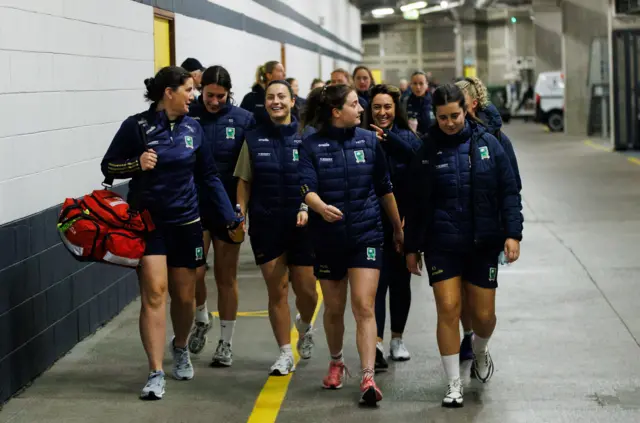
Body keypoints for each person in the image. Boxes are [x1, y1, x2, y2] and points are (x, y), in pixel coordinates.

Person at [101, 66, 243, 400]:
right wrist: (136, 163)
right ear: (169, 93)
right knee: (154, 293)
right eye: (189, 90)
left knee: (184, 296)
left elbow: (208, 176)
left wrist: (227, 216)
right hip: (148, 225)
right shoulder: (136, 126)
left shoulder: (194, 127)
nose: (193, 96)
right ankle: (155, 371)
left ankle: (180, 347)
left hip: (187, 224)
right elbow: (108, 166)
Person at [404, 84, 523, 408]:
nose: (450, 122)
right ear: (435, 115)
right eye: (442, 117)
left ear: (466, 110)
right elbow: (415, 204)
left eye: (455, 115)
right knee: (448, 309)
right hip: (441, 243)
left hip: (483, 242)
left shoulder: (488, 144)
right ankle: (453, 383)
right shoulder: (426, 150)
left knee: (484, 316)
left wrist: (513, 233)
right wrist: (412, 247)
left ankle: (481, 351)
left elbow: (509, 190)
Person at [298, 84, 404, 406]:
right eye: (355, 104)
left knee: (364, 305)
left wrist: (398, 229)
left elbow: (385, 188)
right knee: (333, 308)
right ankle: (336, 361)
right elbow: (306, 187)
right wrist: (318, 207)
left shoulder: (370, 142)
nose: (362, 109)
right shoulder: (311, 145)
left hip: (366, 234)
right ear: (336, 111)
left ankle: (368, 377)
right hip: (328, 238)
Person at [234, 80, 319, 375]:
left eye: (282, 96)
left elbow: (316, 179)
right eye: (271, 97)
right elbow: (244, 181)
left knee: (307, 290)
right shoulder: (253, 138)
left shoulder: (308, 137)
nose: (276, 102)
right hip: (267, 223)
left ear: (293, 101)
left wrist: (308, 207)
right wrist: (240, 214)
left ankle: (305, 324)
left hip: (303, 224)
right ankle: (284, 352)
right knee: (277, 290)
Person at [187, 65, 256, 366]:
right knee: (194, 272)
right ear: (200, 90)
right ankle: (202, 316)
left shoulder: (243, 120)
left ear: (230, 93)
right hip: (194, 207)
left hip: (228, 209)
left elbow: (248, 172)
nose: (214, 101)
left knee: (226, 278)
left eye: (221, 96)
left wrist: (243, 209)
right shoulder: (188, 116)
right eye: (209, 95)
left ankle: (225, 343)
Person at [455, 76, 522, 362]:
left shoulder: (495, 139)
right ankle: (468, 334)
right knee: (458, 292)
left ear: (472, 103)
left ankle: (479, 340)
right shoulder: (443, 139)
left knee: (478, 296)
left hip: (487, 228)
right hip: (454, 230)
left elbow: (512, 185)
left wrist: (511, 232)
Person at [364, 85, 422, 369]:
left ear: (395, 109)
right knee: (376, 285)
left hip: (402, 222)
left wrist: (388, 139)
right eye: (377, 107)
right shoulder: (361, 137)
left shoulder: (406, 138)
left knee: (400, 283)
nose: (382, 112)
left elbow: (418, 161)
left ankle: (396, 339)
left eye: (387, 107)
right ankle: (374, 342)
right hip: (372, 223)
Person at [240, 61, 286, 125]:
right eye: (280, 71)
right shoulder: (251, 98)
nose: (284, 74)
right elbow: (241, 123)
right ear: (269, 75)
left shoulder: (285, 98)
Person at [404, 71, 432, 135]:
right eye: (415, 83)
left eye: (421, 83)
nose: (418, 87)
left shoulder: (435, 100)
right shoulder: (404, 102)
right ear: (411, 85)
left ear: (427, 84)